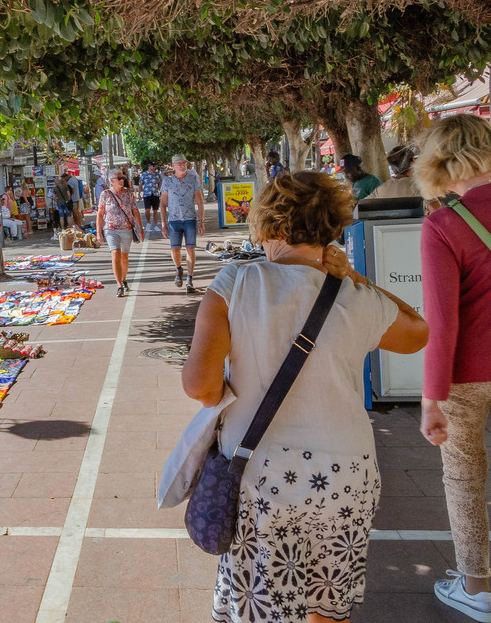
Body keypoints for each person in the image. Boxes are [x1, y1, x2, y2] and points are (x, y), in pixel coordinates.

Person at [183, 172, 427, 623]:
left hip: (262, 475)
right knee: (328, 606)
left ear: (267, 225)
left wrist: (229, 392)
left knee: (263, 604)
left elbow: (200, 387)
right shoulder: (354, 296)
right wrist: (353, 275)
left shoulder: (234, 282)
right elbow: (417, 332)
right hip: (347, 475)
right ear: (332, 228)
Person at [414, 115, 491, 621]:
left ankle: (477, 587)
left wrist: (430, 399)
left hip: (467, 373)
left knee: (464, 475)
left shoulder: (444, 224)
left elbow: (441, 324)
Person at [160, 154, 206, 293]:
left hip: (190, 219)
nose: (182, 165)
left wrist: (201, 221)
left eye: (184, 162)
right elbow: (163, 204)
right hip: (174, 220)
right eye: (179, 163)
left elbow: (199, 201)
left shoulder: (193, 179)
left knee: (190, 248)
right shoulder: (167, 182)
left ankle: (189, 280)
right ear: (173, 166)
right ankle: (178, 269)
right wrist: (163, 224)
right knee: (175, 249)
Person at [96, 171, 144, 298]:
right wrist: (99, 233)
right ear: (112, 180)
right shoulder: (105, 194)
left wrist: (141, 228)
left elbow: (135, 210)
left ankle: (124, 279)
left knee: (124, 256)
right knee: (115, 254)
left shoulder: (128, 193)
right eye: (119, 178)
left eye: (123, 178)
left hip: (126, 228)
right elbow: (100, 214)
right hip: (110, 228)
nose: (122, 180)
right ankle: (119, 285)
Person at [140, 161, 162, 235]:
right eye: (150, 166)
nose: (152, 168)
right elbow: (140, 184)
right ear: (148, 167)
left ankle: (155, 225)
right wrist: (140, 193)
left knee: (155, 210)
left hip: (155, 194)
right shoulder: (144, 174)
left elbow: (159, 183)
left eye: (153, 166)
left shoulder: (157, 175)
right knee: (147, 210)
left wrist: (161, 191)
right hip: (147, 194)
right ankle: (148, 223)